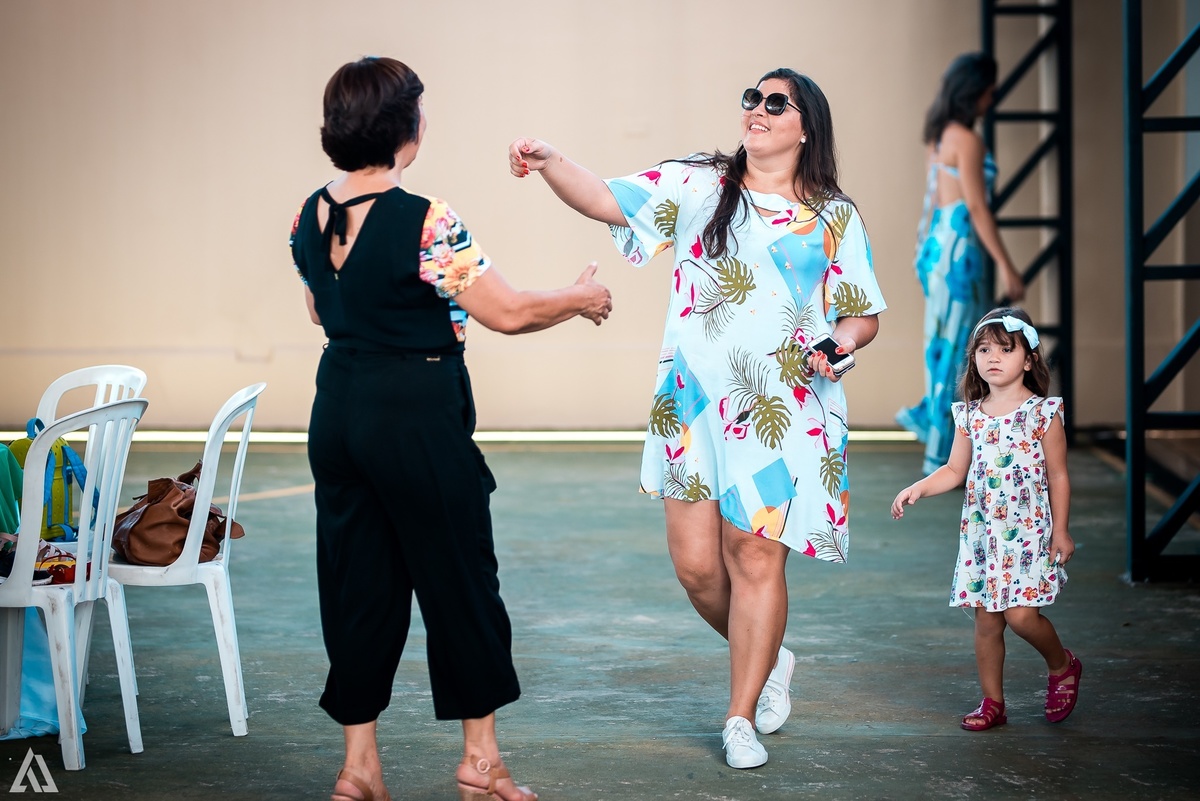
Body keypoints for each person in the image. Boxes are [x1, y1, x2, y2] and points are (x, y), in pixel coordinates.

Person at [508, 68, 886, 769]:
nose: (759, 111)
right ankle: (771, 656)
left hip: (784, 409)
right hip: (691, 406)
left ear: (807, 127)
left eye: (777, 103)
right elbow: (605, 199)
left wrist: (842, 342)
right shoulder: (698, 184)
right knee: (695, 569)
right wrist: (550, 158)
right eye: (753, 99)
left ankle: (738, 716)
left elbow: (860, 314)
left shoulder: (835, 215)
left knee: (754, 555)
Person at [290, 56, 612, 801]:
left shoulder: (308, 214)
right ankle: (480, 761)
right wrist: (578, 295)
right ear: (406, 128)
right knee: (458, 577)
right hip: (416, 412)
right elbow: (507, 312)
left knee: (357, 583)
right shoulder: (426, 217)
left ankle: (359, 769)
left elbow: (319, 307)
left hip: (337, 407)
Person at [890, 307, 1080, 731]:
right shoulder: (971, 414)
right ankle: (993, 701)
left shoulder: (1042, 413)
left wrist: (1062, 530)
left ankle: (1062, 665)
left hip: (1030, 531)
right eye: (984, 348)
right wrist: (918, 487)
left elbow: (1058, 474)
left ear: (1028, 360)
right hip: (983, 535)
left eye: (1006, 349)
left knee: (1021, 616)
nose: (993, 356)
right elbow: (955, 470)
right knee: (987, 621)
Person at [897, 52, 1026, 476]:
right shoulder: (967, 140)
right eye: (990, 90)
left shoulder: (941, 137)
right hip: (958, 250)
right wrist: (1007, 266)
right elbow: (975, 206)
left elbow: (936, 202)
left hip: (938, 246)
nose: (993, 98)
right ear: (976, 92)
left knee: (946, 346)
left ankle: (942, 445)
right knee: (959, 349)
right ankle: (946, 453)